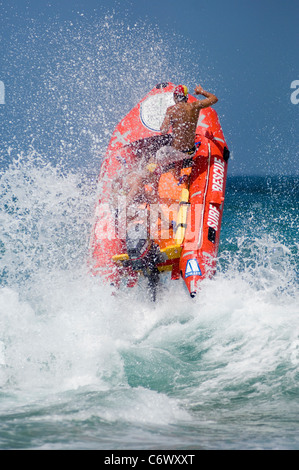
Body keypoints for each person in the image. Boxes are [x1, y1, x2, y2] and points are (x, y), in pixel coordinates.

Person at [156, 83, 218, 165]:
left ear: (175, 97)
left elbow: (163, 130)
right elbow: (214, 99)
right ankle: (181, 169)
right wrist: (201, 91)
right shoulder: (195, 106)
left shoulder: (171, 110)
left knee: (156, 157)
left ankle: (147, 174)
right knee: (177, 151)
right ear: (186, 97)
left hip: (177, 152)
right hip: (191, 151)